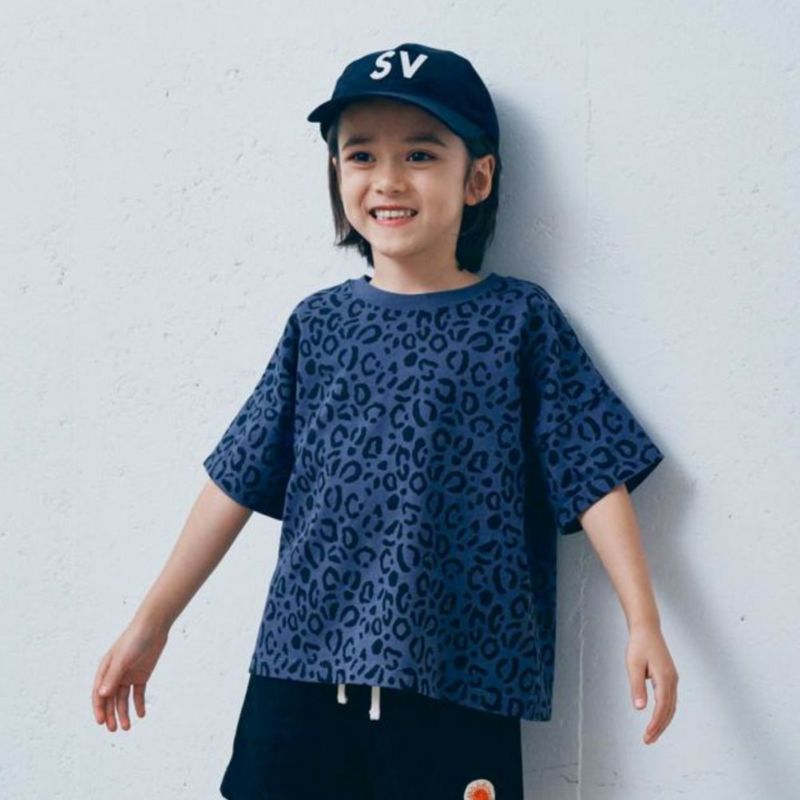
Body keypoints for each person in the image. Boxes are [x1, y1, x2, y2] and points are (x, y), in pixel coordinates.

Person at [91, 42, 679, 800]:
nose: (389, 180)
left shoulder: (519, 324)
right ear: (336, 174)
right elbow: (234, 481)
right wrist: (152, 623)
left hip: (462, 676)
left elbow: (593, 474)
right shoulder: (317, 326)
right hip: (302, 667)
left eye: (421, 154)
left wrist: (643, 621)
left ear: (478, 178)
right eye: (361, 154)